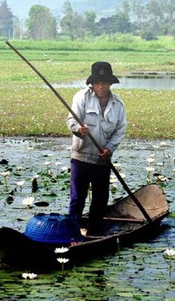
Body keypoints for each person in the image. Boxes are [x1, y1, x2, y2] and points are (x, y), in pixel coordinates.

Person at [66, 61, 127, 235]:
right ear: (92, 83)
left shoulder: (118, 105)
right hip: (81, 157)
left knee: (100, 200)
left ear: (110, 83)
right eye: (98, 83)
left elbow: (120, 130)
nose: (101, 86)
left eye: (105, 82)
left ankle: (95, 233)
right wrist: (79, 129)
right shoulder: (81, 98)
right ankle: (72, 232)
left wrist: (109, 149)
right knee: (77, 198)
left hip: (102, 160)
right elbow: (71, 120)